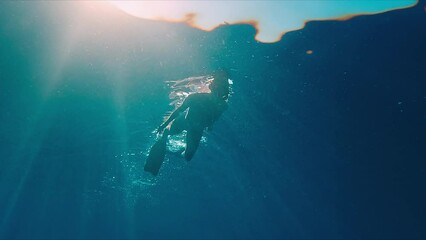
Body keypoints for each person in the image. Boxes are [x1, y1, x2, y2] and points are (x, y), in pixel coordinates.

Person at [144, 70, 230, 175]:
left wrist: (211, 124)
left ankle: (171, 151)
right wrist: (164, 125)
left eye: (221, 91)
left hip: (197, 129)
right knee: (169, 132)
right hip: (184, 121)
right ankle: (165, 136)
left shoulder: (223, 106)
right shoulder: (196, 97)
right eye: (217, 89)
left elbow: (215, 116)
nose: (218, 94)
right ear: (212, 87)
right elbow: (178, 111)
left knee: (188, 157)